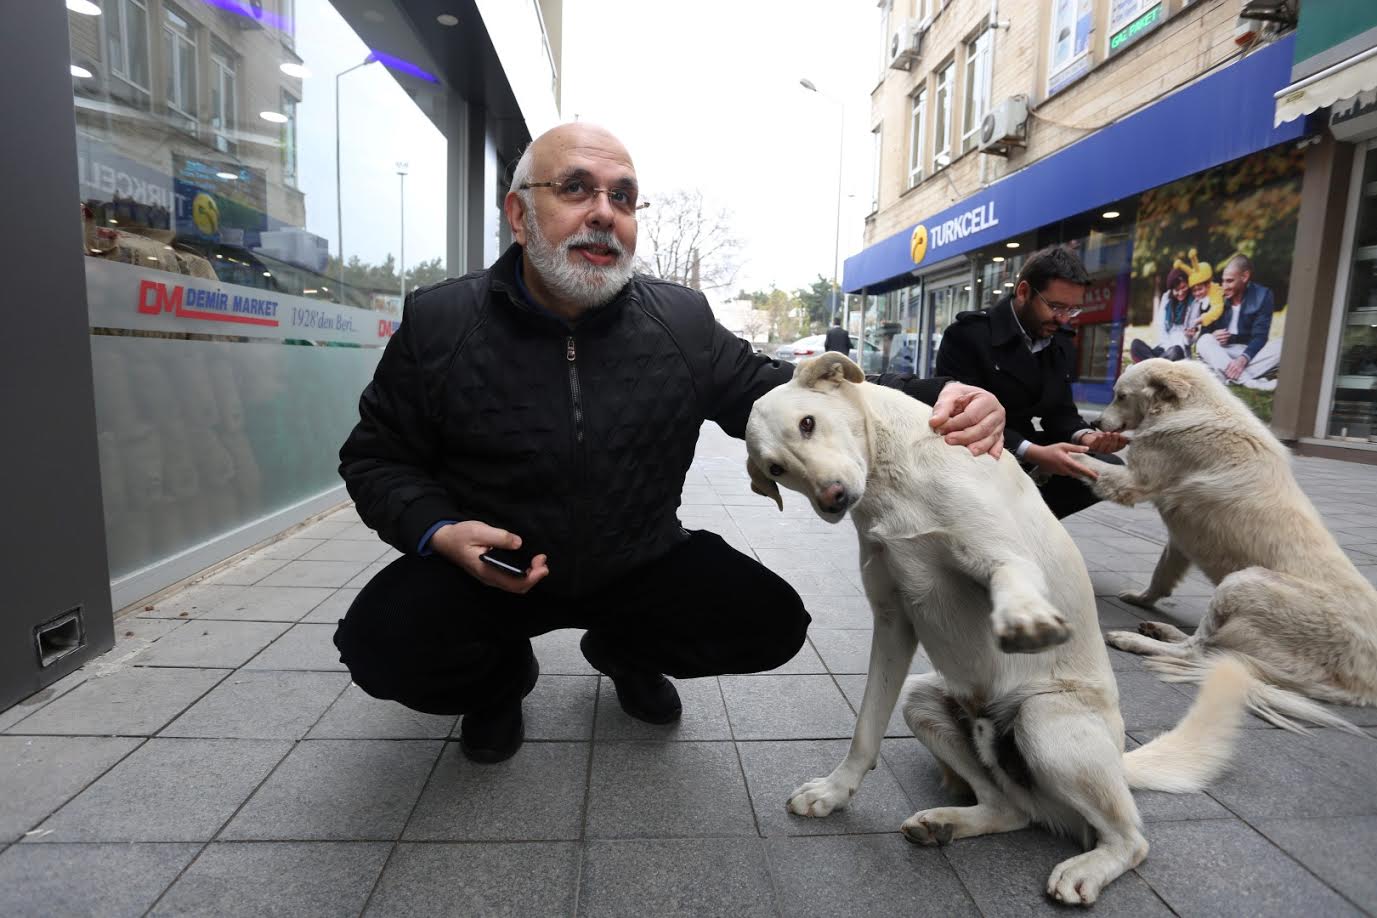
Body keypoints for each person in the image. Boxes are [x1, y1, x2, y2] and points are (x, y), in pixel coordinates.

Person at [333, 123, 1006, 764]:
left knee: (767, 622)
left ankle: (623, 652)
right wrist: (440, 530)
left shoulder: (678, 323)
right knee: (382, 645)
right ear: (518, 215)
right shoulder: (442, 323)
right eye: (575, 189)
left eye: (622, 197)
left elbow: (788, 392)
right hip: (496, 571)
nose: (604, 212)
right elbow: (375, 457)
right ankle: (499, 683)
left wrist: (941, 396)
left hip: (634, 563)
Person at [925, 245, 1128, 519]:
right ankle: (1005, 525)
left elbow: (1059, 412)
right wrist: (1034, 453)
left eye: (1074, 309)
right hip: (974, 449)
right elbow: (964, 417)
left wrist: (1087, 437)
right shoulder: (968, 336)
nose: (1064, 319)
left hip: (1026, 450)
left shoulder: (1060, 342)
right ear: (1023, 292)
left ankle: (1025, 524)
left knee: (1102, 469)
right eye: (1055, 306)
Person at [1196, 254, 1281, 391]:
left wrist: (1242, 360)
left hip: (1247, 353)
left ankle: (1224, 376)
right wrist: (1213, 335)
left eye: (1229, 281)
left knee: (1283, 345)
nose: (1224, 287)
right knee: (1204, 341)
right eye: (1223, 281)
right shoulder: (1216, 295)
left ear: (1245, 277)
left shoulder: (1263, 295)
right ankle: (1249, 381)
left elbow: (1260, 337)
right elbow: (1203, 336)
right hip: (1221, 352)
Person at [1129, 266, 1192, 363]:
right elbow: (1161, 329)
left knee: (1175, 351)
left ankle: (1150, 365)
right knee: (1135, 344)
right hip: (1162, 350)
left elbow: (1189, 340)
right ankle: (1155, 364)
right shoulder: (1167, 298)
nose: (1180, 292)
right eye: (1176, 290)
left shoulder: (1193, 302)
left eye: (1183, 287)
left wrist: (1189, 337)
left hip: (1178, 352)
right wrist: (1164, 349)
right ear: (1171, 290)